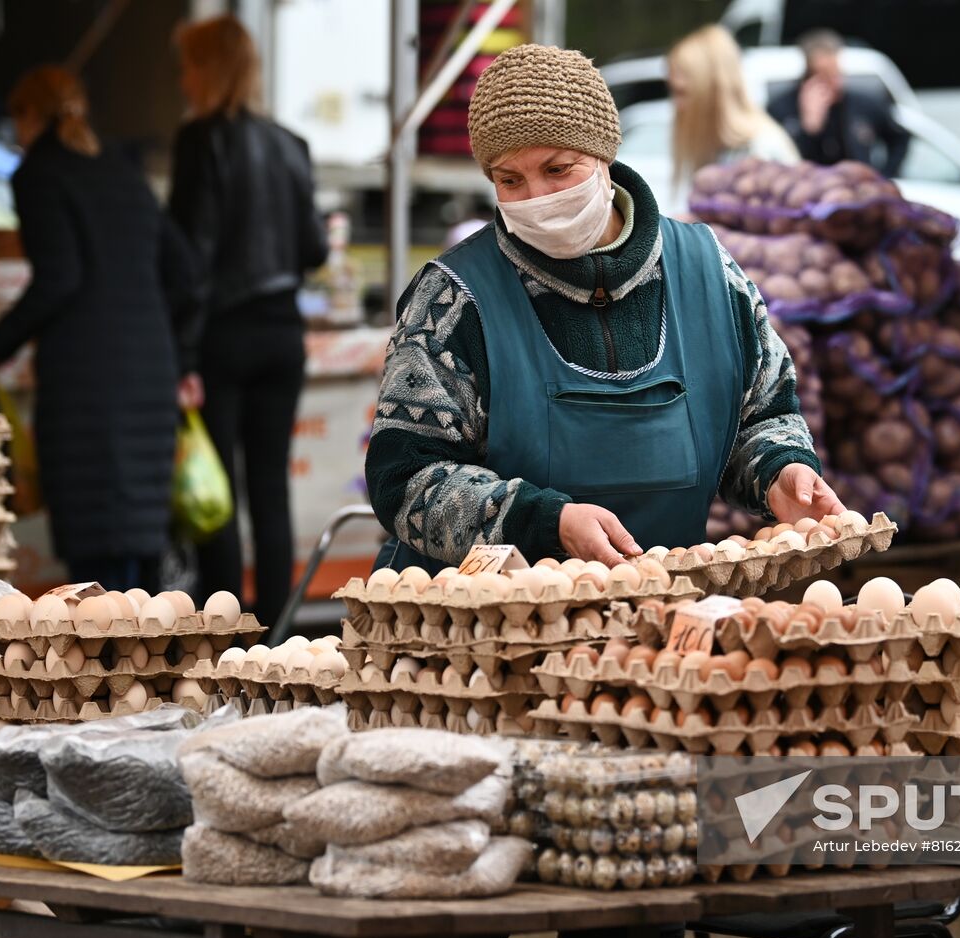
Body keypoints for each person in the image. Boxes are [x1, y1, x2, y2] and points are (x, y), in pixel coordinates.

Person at [366, 42, 841, 577]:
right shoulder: (454, 299)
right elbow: (402, 477)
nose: (536, 197)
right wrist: (543, 520)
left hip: (655, 629)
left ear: (604, 156)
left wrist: (782, 469)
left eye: (558, 168)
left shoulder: (709, 275)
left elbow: (763, 413)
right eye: (509, 180)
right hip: (483, 636)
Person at [0, 66, 197, 591]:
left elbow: (59, 277)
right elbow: (185, 273)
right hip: (149, 375)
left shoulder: (39, 174)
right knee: (141, 555)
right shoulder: (122, 169)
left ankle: (106, 671)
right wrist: (170, 347)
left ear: (29, 116)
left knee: (96, 565)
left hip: (86, 384)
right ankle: (153, 672)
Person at [169, 15, 328, 628]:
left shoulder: (200, 140)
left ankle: (226, 633)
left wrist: (182, 357)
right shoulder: (291, 144)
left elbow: (192, 261)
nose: (182, 79)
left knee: (219, 495)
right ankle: (280, 632)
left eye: (187, 65)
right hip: (282, 334)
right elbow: (313, 249)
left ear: (207, 68)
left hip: (221, 336)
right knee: (269, 488)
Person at [666, 25, 798, 204]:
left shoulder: (760, 151)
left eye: (682, 92)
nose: (677, 104)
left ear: (711, 92)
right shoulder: (724, 151)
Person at [767, 28, 910, 177]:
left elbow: (900, 138)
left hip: (857, 191)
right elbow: (781, 161)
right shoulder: (782, 109)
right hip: (808, 191)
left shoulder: (862, 104)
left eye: (835, 73)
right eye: (824, 75)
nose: (834, 82)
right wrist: (809, 129)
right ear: (808, 76)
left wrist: (885, 176)